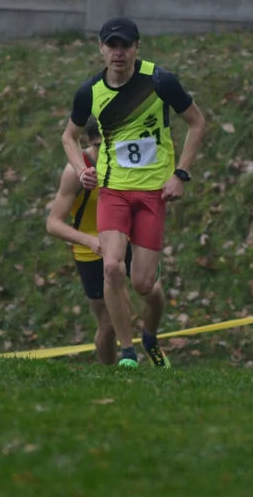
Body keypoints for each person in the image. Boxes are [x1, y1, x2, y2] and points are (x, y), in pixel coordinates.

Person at [60, 16, 207, 368]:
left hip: (153, 194)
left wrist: (181, 175)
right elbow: (68, 136)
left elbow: (197, 122)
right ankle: (128, 354)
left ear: (137, 48)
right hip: (114, 191)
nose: (118, 52)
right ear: (101, 49)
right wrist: (83, 171)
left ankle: (150, 336)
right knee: (111, 268)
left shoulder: (160, 81)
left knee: (142, 284)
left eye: (126, 45)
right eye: (112, 45)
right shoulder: (90, 92)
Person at [46, 116, 167, 365]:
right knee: (108, 324)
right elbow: (53, 223)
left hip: (125, 239)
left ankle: (150, 339)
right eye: (101, 146)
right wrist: (90, 241)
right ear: (90, 141)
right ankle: (111, 374)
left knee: (154, 291)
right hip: (91, 252)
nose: (108, 151)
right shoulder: (77, 170)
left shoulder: (126, 159)